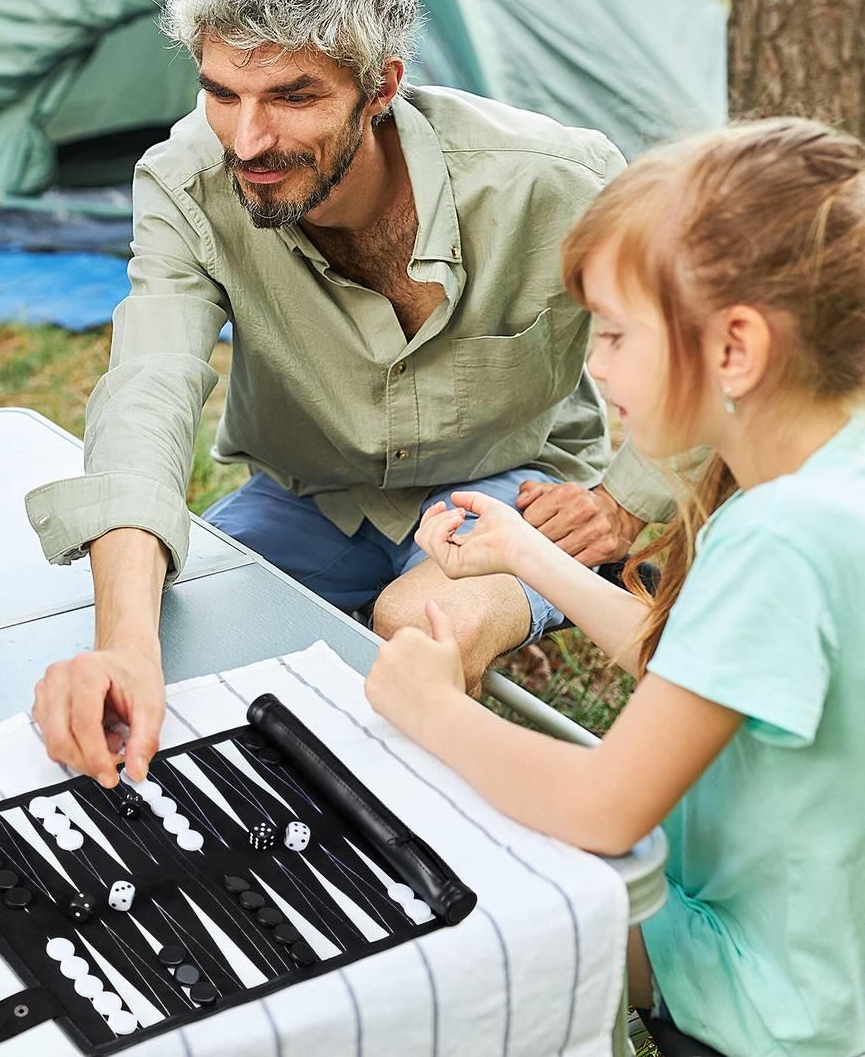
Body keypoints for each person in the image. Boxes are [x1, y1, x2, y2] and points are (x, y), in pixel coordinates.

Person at [27, 0, 674, 786]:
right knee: (159, 634)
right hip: (310, 499)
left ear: (381, 87)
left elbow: (715, 333)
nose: (249, 140)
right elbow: (148, 391)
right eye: (223, 93)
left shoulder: (556, 181)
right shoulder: (183, 185)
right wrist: (126, 645)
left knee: (415, 628)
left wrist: (630, 499)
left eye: (293, 97)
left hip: (511, 489)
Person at [365, 118, 865, 1057]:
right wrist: (526, 552)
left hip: (768, 997)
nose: (595, 366)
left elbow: (605, 804)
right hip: (832, 957)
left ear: (736, 350)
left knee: (444, 917)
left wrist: (432, 708)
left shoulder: (778, 539)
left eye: (616, 333)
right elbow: (697, 662)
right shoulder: (832, 482)